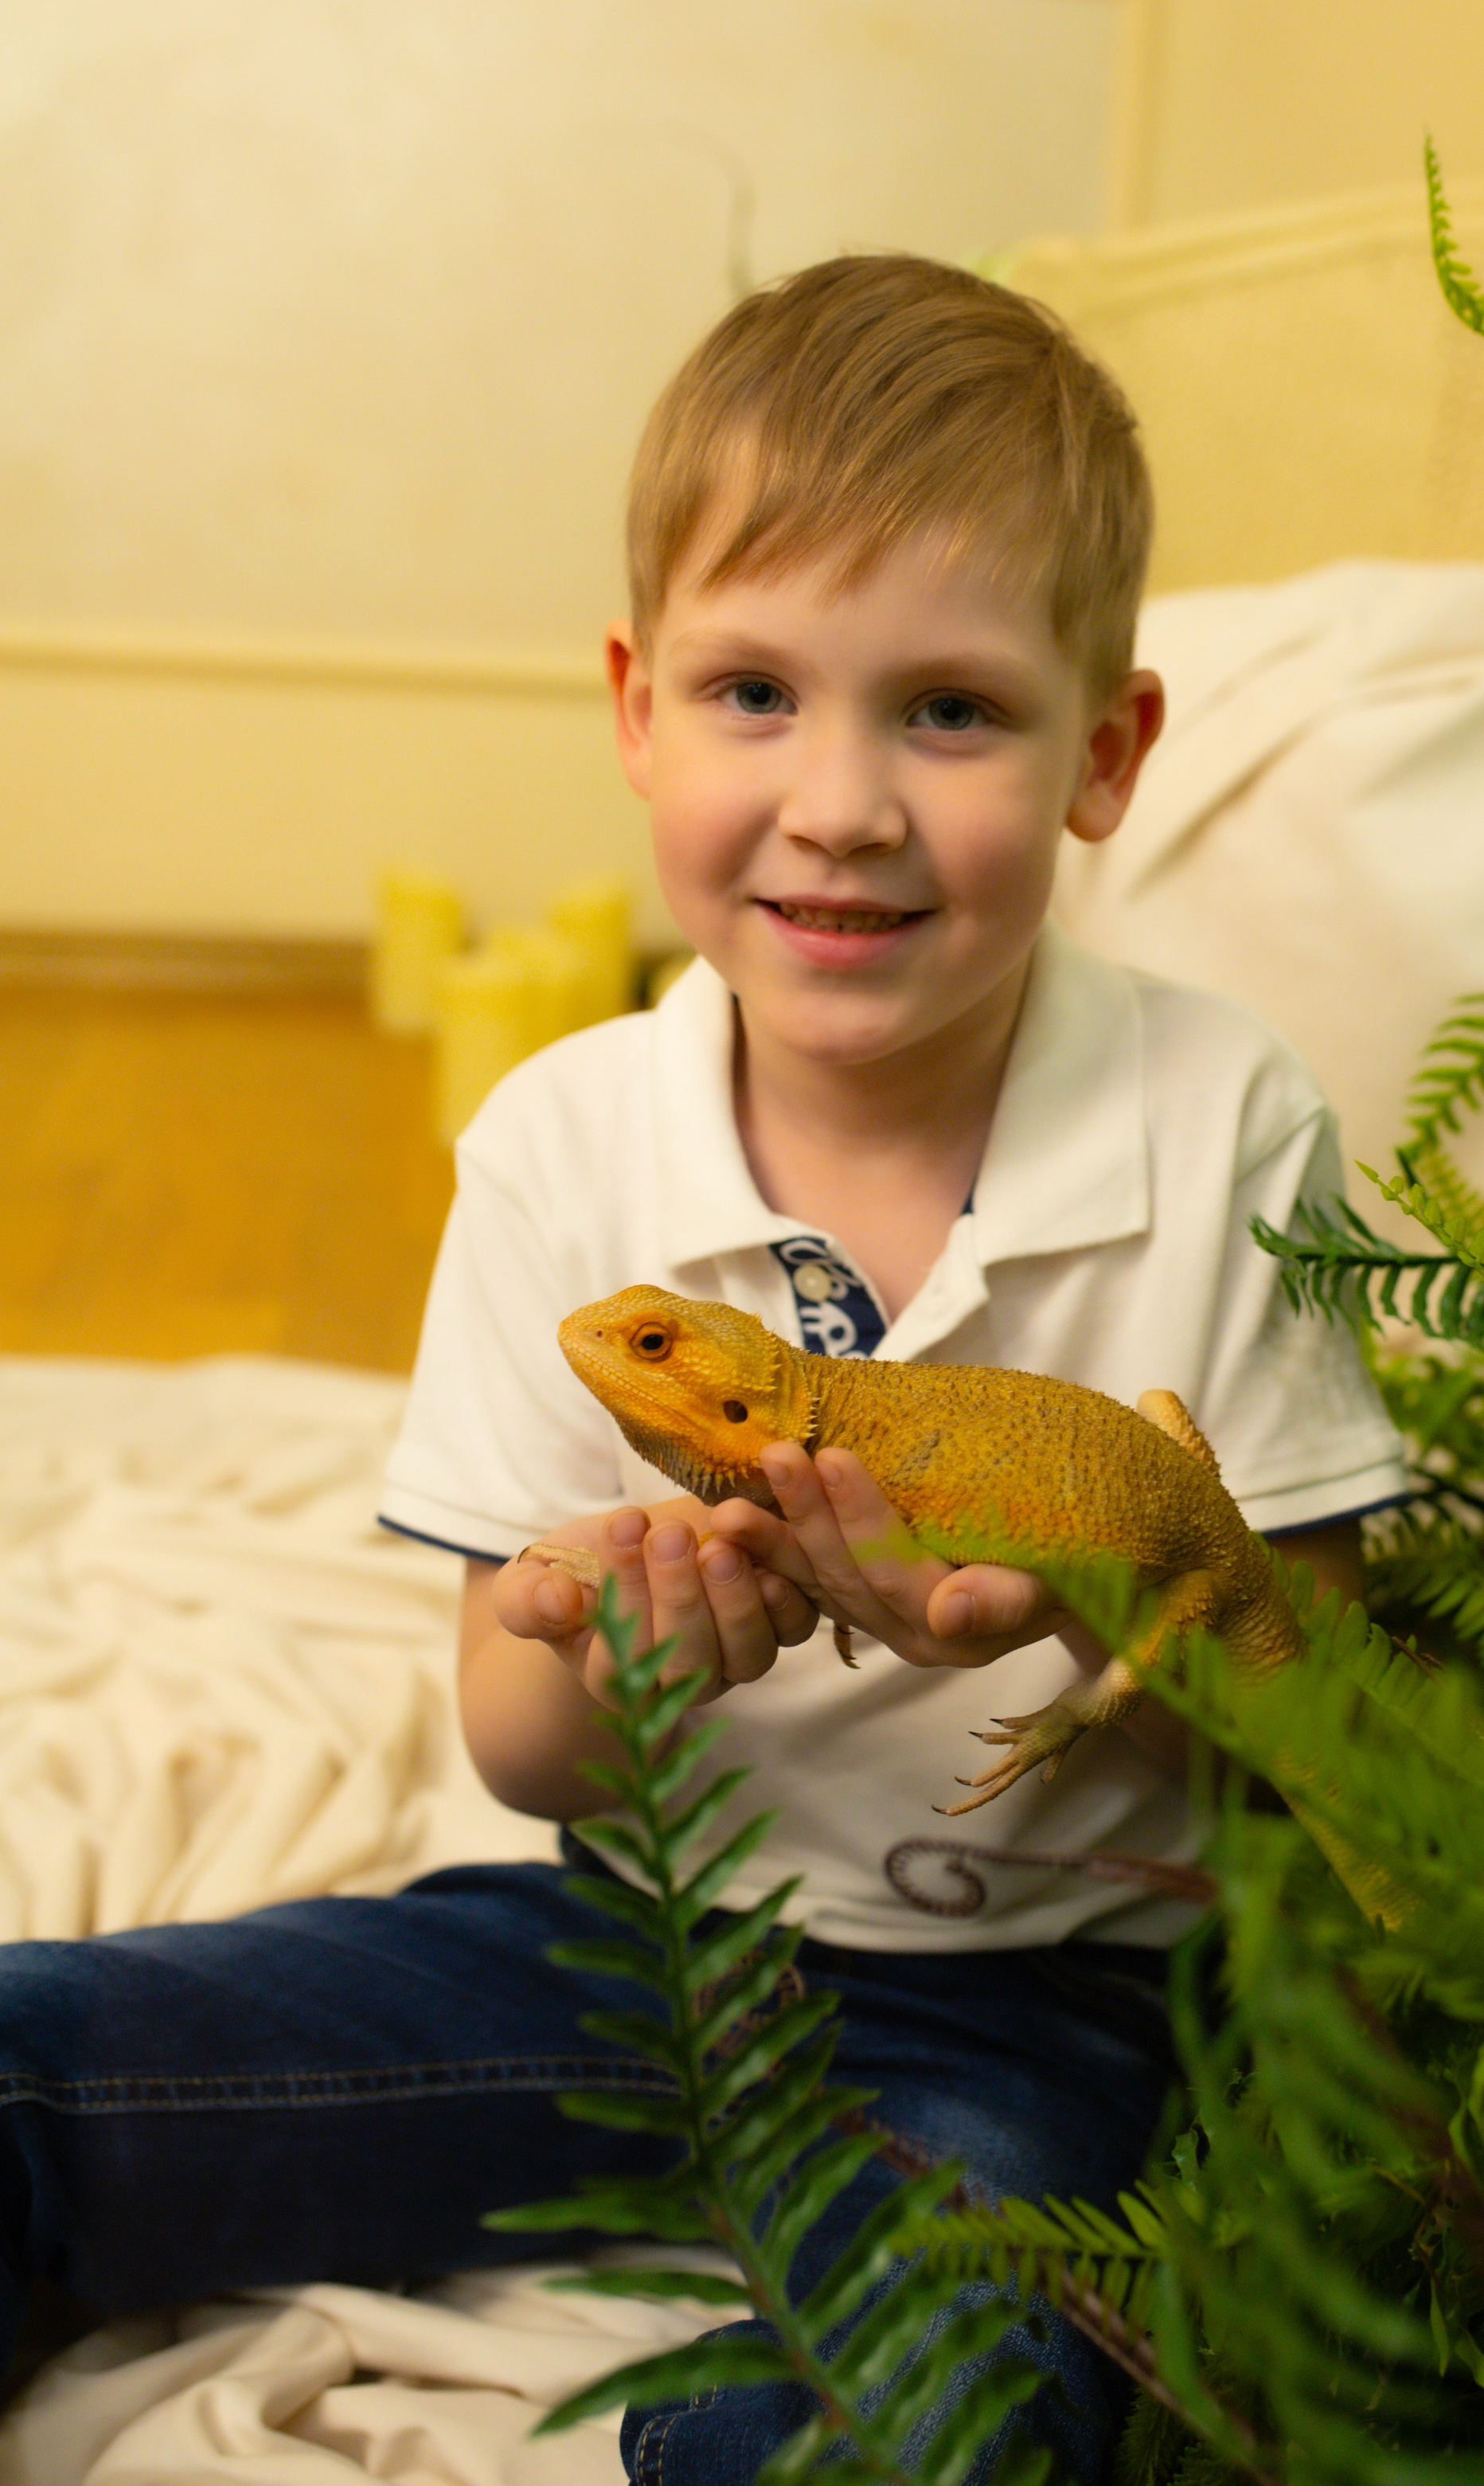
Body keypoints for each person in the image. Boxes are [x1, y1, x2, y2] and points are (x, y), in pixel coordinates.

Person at [0, 256, 1404, 2483]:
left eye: (947, 710)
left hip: (1030, 2004)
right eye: (758, 692)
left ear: (1105, 755)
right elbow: (519, 1735)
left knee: (894, 2430)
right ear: (638, 710)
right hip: (621, 1948)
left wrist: (1106, 1594)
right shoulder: (570, 1145)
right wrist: (630, 1654)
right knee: (32, 2058)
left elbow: (1323, 1698)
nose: (840, 802)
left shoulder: (1226, 1124)